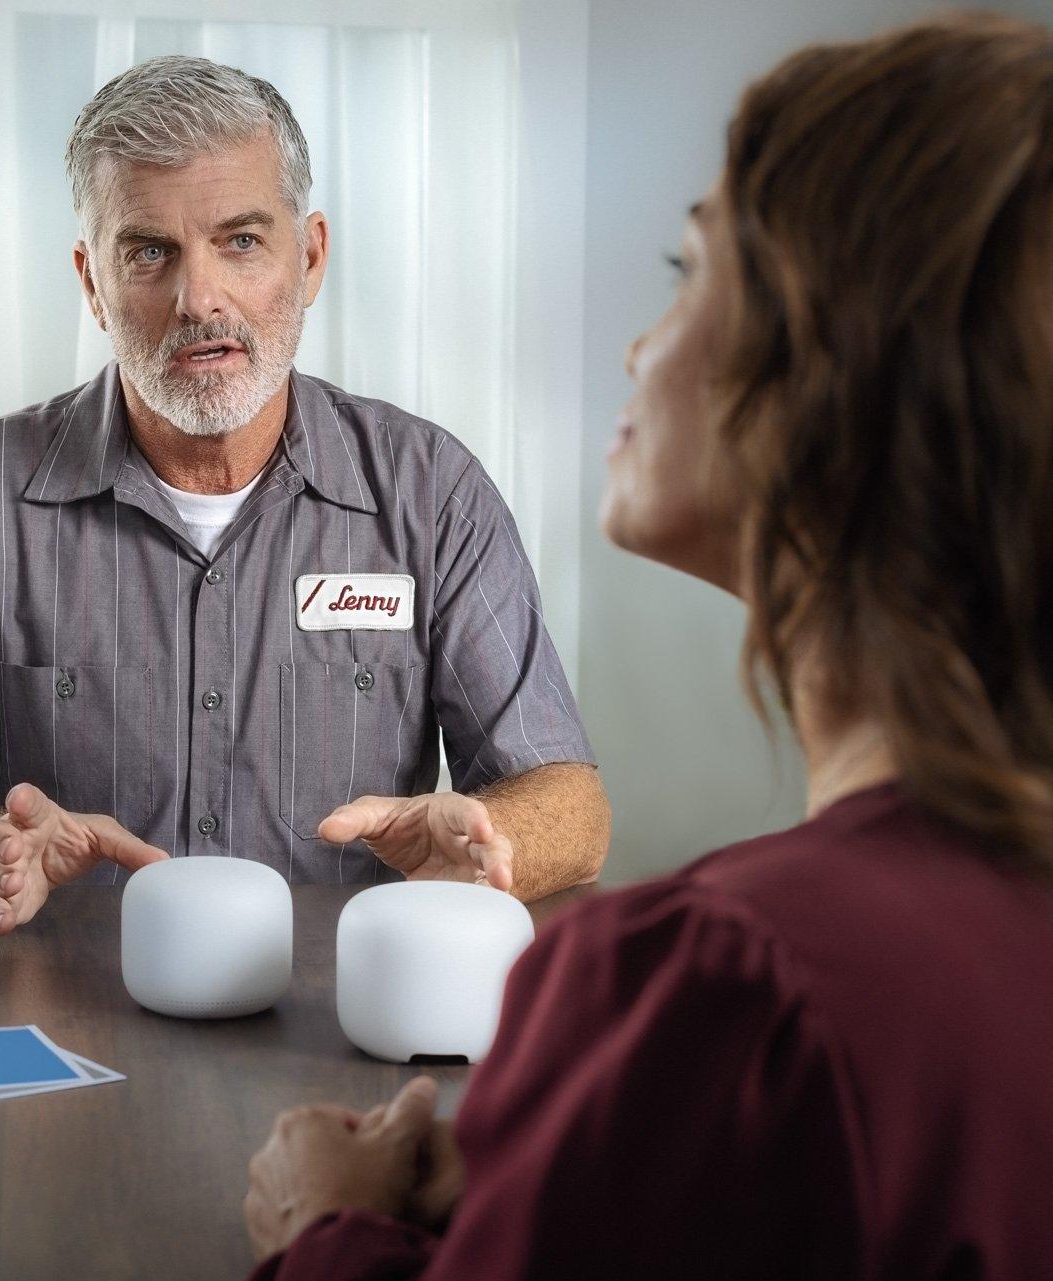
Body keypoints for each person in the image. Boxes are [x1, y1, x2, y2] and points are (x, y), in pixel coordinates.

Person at [240, 14, 1053, 1278]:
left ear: (825, 381)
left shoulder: (723, 989)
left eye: (686, 273)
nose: (634, 348)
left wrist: (326, 1228)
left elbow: (565, 802)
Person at [0, 57, 611, 934]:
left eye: (241, 241)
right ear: (92, 282)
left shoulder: (433, 494)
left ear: (309, 257)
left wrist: (494, 839)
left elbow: (572, 804)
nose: (200, 298)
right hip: (74, 1019)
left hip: (341, 1027)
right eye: (150, 252)